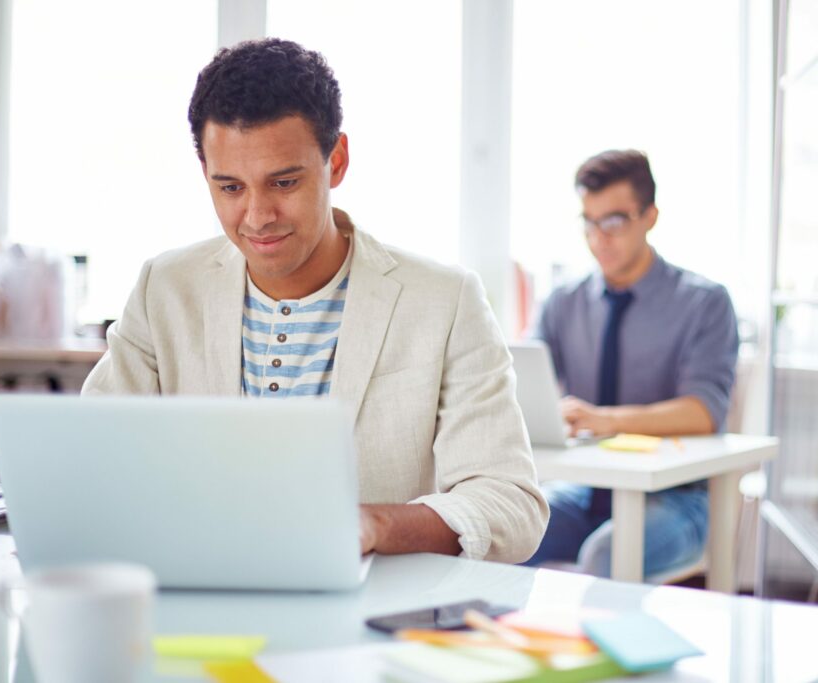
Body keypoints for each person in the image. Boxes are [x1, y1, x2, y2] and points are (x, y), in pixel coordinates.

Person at [82, 38, 548, 563]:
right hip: (197, 602)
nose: (257, 216)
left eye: (284, 182)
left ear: (337, 161)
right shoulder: (164, 289)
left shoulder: (444, 301)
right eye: (230, 188)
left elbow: (511, 504)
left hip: (371, 619)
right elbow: (93, 461)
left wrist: (374, 524)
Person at [523, 149, 739, 578]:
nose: (599, 237)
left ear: (650, 216)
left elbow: (703, 411)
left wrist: (606, 419)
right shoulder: (563, 302)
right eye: (589, 221)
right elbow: (525, 382)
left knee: (605, 555)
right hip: (586, 489)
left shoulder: (704, 302)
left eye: (615, 221)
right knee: (498, 536)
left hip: (676, 498)